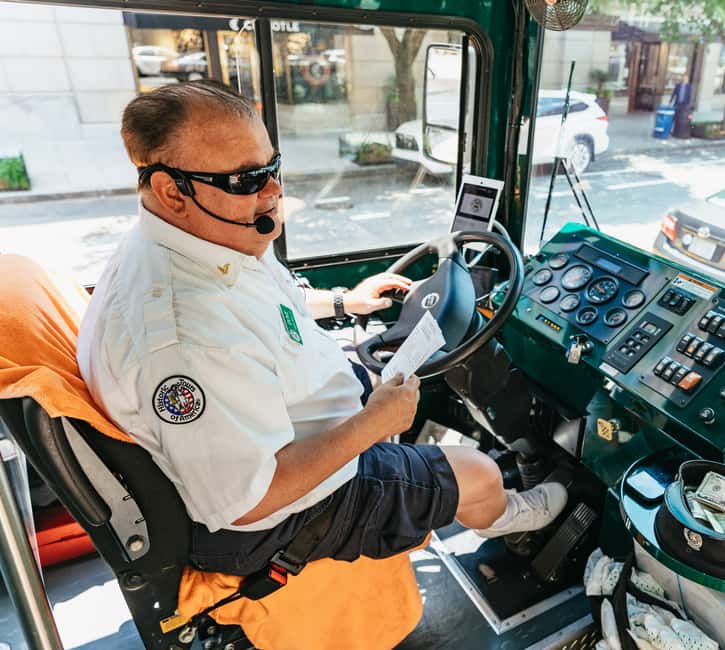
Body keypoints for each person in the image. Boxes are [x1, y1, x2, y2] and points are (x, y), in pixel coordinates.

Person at [77, 80, 567, 577]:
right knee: (477, 472)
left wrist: (341, 300)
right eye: (246, 180)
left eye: (272, 168)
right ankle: (509, 519)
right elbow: (250, 501)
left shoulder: (209, 242)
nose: (273, 192)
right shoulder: (183, 337)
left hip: (293, 428)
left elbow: (264, 302)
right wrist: (372, 426)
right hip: (279, 516)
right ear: (171, 191)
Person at [670, 74, 693, 139]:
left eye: (686, 78)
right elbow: (674, 93)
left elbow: (689, 96)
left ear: (687, 80)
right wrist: (670, 101)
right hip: (677, 103)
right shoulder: (678, 85)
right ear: (682, 79)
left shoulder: (689, 87)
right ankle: (672, 130)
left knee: (681, 118)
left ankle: (677, 131)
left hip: (684, 104)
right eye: (684, 78)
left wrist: (688, 105)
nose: (685, 79)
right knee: (674, 117)